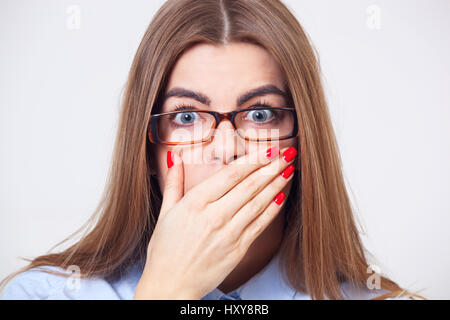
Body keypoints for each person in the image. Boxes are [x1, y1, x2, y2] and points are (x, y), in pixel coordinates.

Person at [0, 0, 425, 300]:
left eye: (260, 115)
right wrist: (163, 292)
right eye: (187, 117)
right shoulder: (44, 294)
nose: (226, 150)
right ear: (147, 148)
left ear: (304, 140)